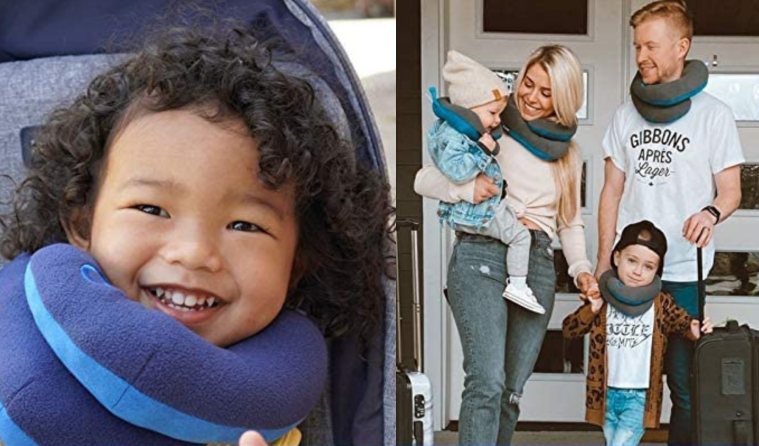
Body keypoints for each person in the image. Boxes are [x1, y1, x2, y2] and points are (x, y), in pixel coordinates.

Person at [0, 24, 392, 446]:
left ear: (296, 264)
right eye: (151, 209)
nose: (193, 253)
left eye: (245, 225)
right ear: (81, 224)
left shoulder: (267, 413)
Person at [414, 44, 597, 445]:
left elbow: (569, 222)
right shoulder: (490, 128)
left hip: (537, 267)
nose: (531, 96)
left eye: (545, 92)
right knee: (487, 382)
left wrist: (582, 269)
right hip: (481, 254)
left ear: (563, 99)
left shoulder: (568, 155)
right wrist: (465, 188)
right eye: (527, 83)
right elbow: (422, 180)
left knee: (511, 391)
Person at [595, 2, 744, 443]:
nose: (641, 55)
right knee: (629, 388)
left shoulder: (714, 115)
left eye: (651, 46)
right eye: (637, 45)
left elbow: (731, 190)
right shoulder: (624, 116)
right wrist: (605, 261)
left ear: (682, 47)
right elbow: (611, 191)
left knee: (686, 389)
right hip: (632, 275)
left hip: (682, 273)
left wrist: (710, 212)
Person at [564, 220, 713, 445]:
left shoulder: (661, 304)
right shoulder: (602, 299)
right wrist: (590, 310)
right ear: (617, 258)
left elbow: (684, 325)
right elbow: (569, 330)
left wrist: (695, 328)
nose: (637, 271)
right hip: (607, 392)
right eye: (632, 261)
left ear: (657, 270)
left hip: (639, 396)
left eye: (648, 266)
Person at [427, 50, 542, 313]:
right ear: (470, 107)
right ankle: (518, 285)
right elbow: (454, 171)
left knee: (511, 220)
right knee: (521, 238)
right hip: (479, 215)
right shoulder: (460, 138)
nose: (497, 121)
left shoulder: (454, 132)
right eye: (493, 112)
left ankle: (464, 284)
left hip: (479, 214)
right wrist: (482, 149)